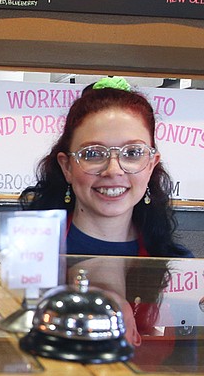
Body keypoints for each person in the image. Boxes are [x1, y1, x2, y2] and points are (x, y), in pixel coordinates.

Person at [19, 78, 191, 257]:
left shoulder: (179, 264)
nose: (113, 170)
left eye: (132, 153)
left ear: (151, 165)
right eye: (93, 154)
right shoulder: (24, 253)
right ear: (67, 167)